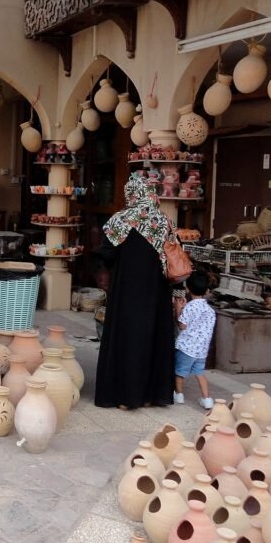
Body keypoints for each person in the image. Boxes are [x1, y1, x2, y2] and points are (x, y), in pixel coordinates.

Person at [94, 173, 176, 410]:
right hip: (157, 293)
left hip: (127, 292)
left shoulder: (120, 221)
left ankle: (126, 397)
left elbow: (107, 253)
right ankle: (151, 396)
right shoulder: (164, 222)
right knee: (153, 337)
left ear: (131, 194)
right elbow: (173, 254)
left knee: (128, 338)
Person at [173, 271, 217, 409]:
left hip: (186, 348)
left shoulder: (190, 307)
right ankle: (207, 399)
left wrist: (178, 309)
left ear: (187, 289)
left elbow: (182, 325)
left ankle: (179, 395)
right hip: (201, 350)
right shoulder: (210, 310)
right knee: (199, 372)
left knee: (179, 372)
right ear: (206, 290)